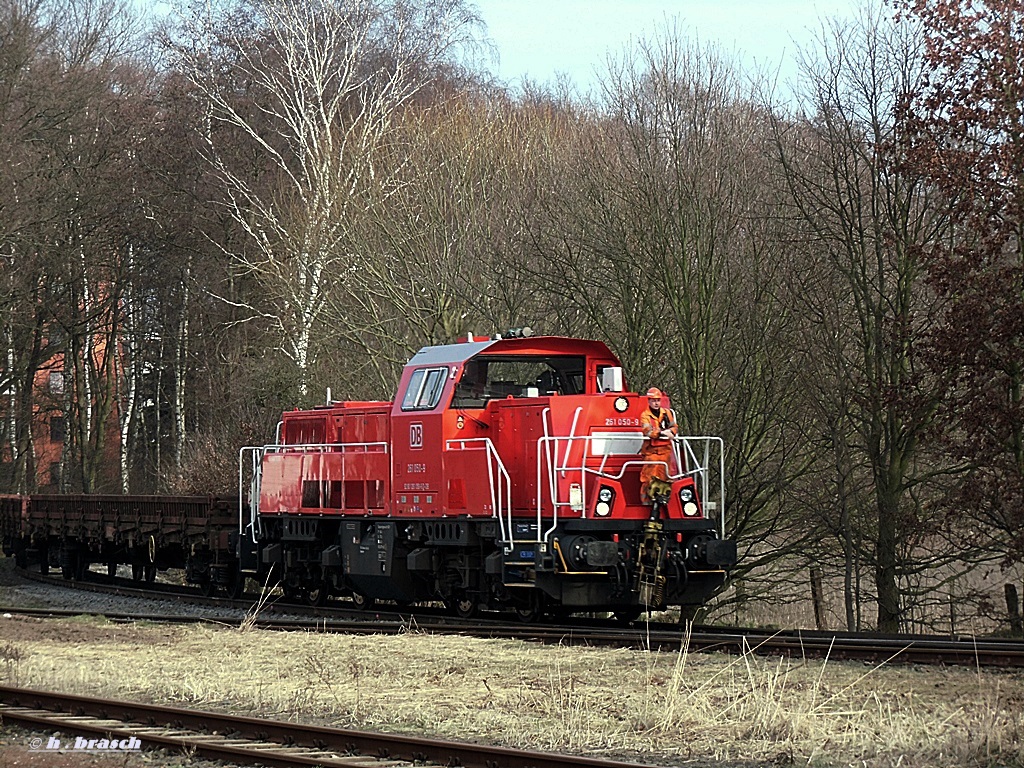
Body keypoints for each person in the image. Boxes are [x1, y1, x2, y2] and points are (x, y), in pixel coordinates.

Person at [639, 387, 678, 504]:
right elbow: (647, 431)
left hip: (665, 451)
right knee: (648, 478)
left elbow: (674, 426)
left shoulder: (667, 413)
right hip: (651, 452)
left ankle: (663, 500)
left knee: (665, 477)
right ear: (649, 401)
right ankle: (646, 501)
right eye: (653, 400)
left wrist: (672, 432)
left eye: (658, 400)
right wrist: (661, 433)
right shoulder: (645, 415)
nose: (656, 403)